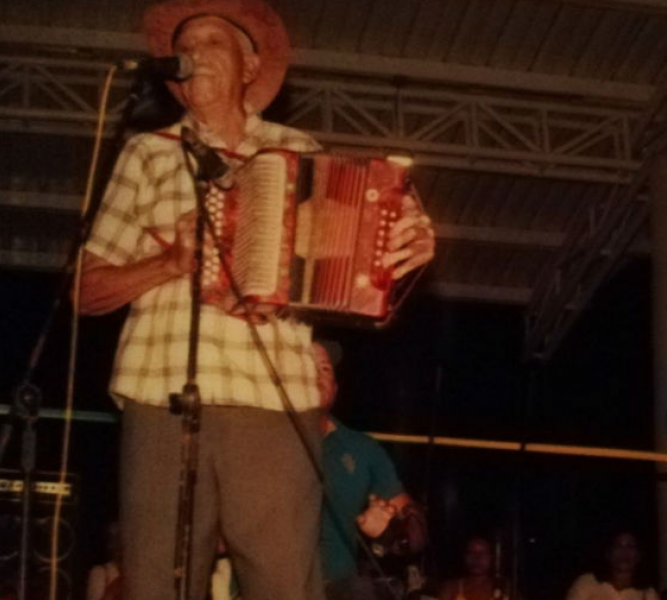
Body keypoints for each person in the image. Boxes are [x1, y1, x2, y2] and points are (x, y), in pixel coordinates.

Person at [78, 1, 434, 598]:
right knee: (156, 585)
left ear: (248, 66)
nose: (195, 53)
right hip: (161, 391)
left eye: (212, 41)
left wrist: (409, 236)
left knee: (284, 585)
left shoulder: (297, 148)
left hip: (272, 401)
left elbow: (358, 251)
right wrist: (169, 263)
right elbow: (86, 290)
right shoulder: (145, 152)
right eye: (185, 45)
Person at [314, 342, 427, 600]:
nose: (316, 375)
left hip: (338, 588)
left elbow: (415, 528)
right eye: (305, 368)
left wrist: (394, 531)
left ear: (335, 389)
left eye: (325, 369)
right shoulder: (262, 441)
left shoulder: (362, 449)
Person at [564, 530, 659, 600]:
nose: (624, 552)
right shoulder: (587, 583)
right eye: (618, 546)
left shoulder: (647, 593)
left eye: (630, 546)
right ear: (608, 553)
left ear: (638, 556)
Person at [437, 536, 519, 600]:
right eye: (471, 553)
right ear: (465, 557)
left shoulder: (505, 589)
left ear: (492, 557)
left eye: (483, 553)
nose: (477, 558)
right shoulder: (451, 588)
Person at [86, 521, 122, 600]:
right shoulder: (100, 572)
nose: (114, 545)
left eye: (118, 539)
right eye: (111, 540)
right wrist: (111, 593)